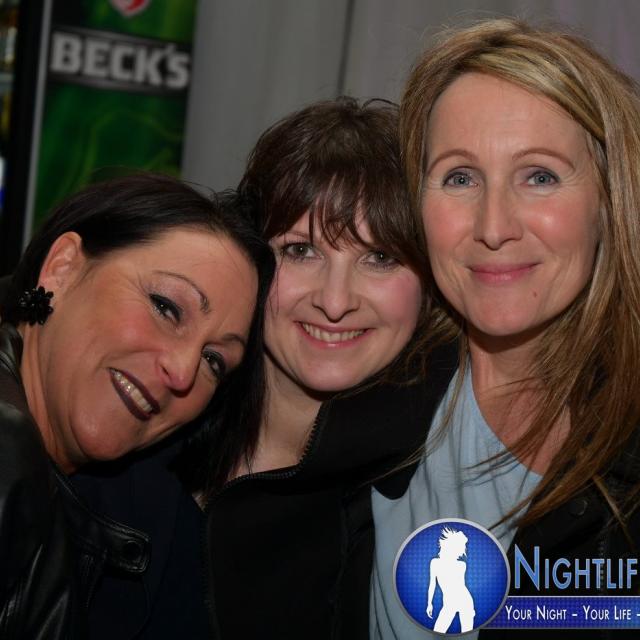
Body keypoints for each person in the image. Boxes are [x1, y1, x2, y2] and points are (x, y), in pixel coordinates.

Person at [74, 98, 455, 639]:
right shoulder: (147, 410)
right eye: (301, 251)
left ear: (430, 288)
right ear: (250, 259)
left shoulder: (429, 496)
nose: (335, 300)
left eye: (380, 258)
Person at [371, 18, 640, 640]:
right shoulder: (360, 386)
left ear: (609, 201)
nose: (494, 227)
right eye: (459, 177)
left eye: (539, 176)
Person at [0, 172, 273, 639]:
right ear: (63, 269)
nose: (183, 372)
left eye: (214, 360)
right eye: (166, 307)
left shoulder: (150, 513)